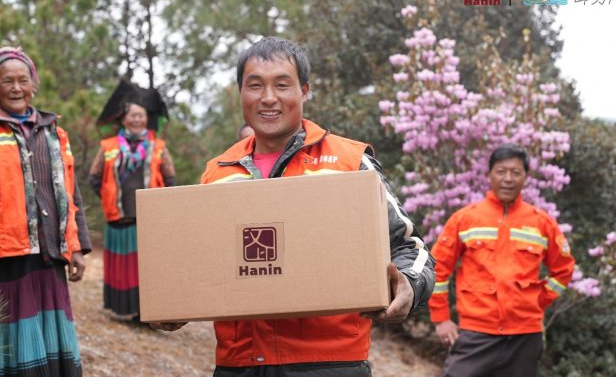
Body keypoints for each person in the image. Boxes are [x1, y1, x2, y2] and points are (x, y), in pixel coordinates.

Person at [154, 37, 435, 377]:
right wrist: (173, 300)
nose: (268, 97)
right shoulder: (218, 172)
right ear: (240, 93)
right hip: (239, 365)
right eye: (255, 85)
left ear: (304, 91)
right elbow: (201, 263)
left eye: (281, 84)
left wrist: (408, 284)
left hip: (330, 365)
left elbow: (410, 246)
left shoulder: (350, 162)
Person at [428, 144, 575, 377]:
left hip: (524, 337)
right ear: (489, 175)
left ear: (526, 177)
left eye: (516, 172)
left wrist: (537, 300)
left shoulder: (542, 223)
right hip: (475, 333)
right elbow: (437, 268)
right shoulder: (465, 219)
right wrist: (441, 319)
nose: (508, 179)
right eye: (501, 171)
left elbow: (564, 270)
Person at [0, 46, 92, 376]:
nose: (16, 88)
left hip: (50, 254)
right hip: (8, 256)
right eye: (7, 81)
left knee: (51, 334)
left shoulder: (54, 132)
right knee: (14, 334)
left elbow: (71, 192)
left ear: (33, 84)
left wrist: (76, 247)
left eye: (22, 80)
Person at [89, 81, 175, 320]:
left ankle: (146, 312)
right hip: (119, 219)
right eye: (133, 115)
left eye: (141, 115)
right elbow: (95, 177)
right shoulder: (108, 147)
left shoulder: (158, 147)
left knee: (147, 266)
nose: (137, 120)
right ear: (123, 118)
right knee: (123, 266)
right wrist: (110, 197)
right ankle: (125, 308)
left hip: (149, 221)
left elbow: (169, 178)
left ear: (147, 119)